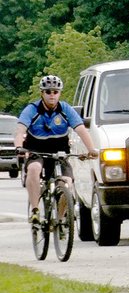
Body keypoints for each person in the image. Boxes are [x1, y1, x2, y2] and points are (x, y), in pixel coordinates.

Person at [14, 75, 99, 223]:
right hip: (36, 149)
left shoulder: (66, 109)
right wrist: (18, 146)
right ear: (42, 93)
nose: (52, 95)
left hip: (60, 151)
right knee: (33, 169)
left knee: (67, 182)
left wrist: (91, 149)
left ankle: (59, 219)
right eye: (48, 92)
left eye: (55, 91)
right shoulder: (32, 110)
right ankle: (35, 210)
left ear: (59, 93)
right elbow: (20, 131)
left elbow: (81, 130)